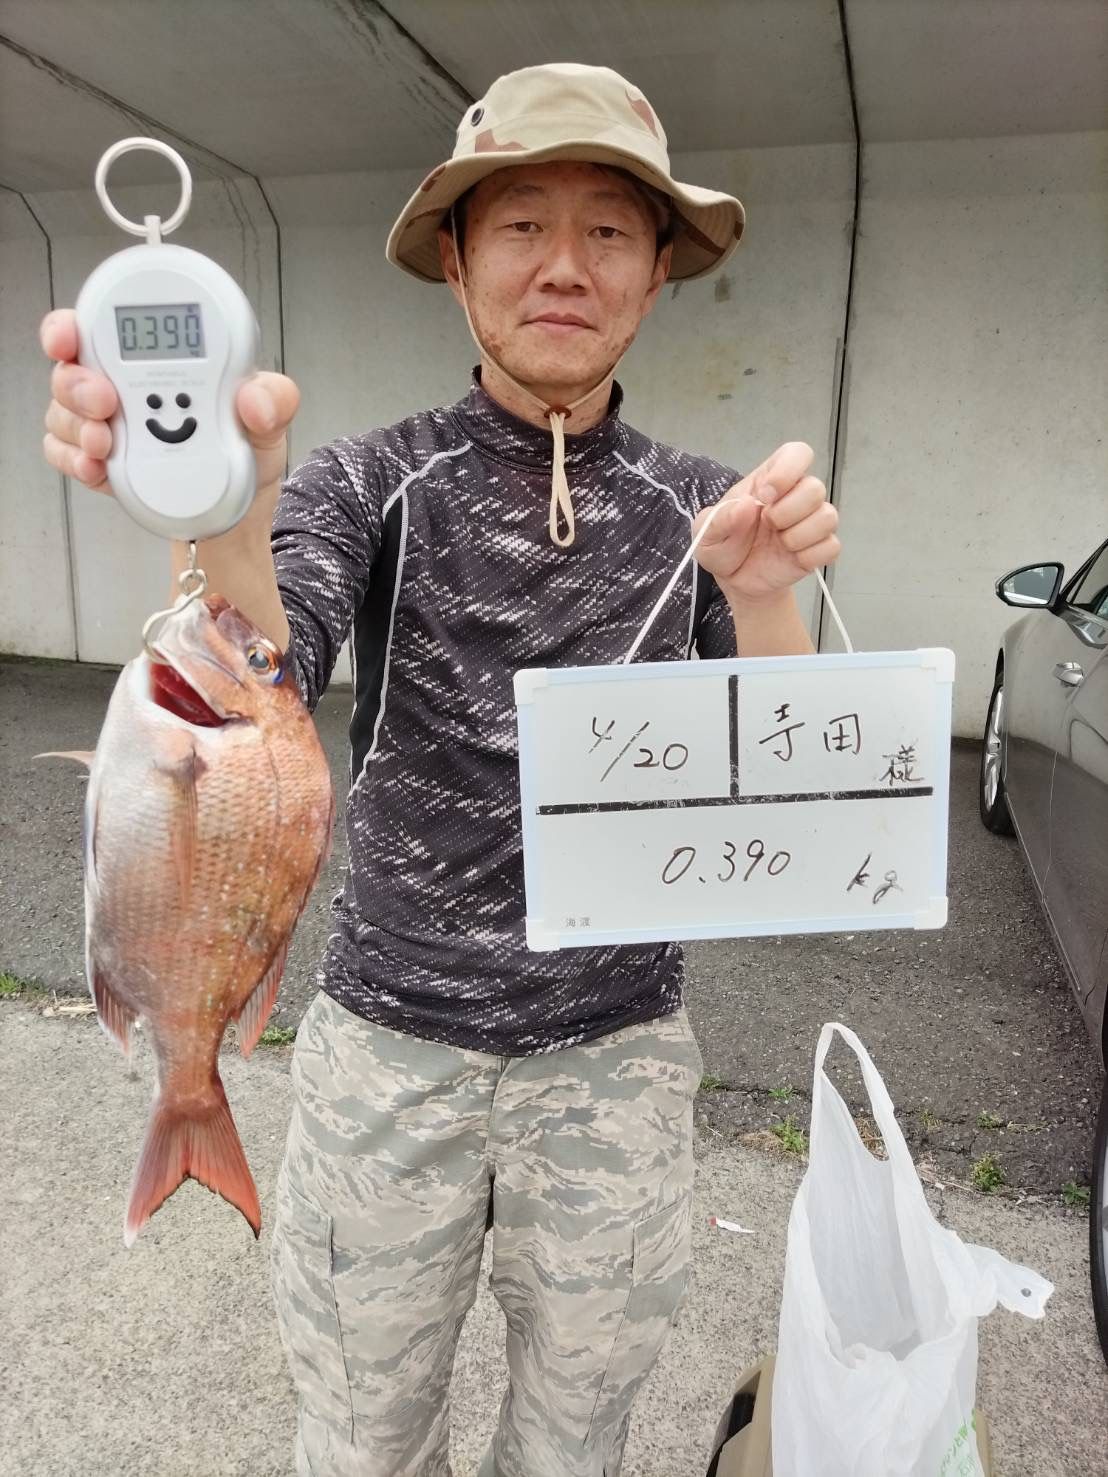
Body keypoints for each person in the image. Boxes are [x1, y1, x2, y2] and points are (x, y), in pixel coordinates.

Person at [40, 62, 840, 1477]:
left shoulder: (709, 510)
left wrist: (766, 597)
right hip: (386, 1052)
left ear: (658, 269)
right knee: (364, 1436)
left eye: (610, 230)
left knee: (577, 1436)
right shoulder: (371, 479)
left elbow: (779, 796)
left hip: (617, 1056)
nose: (564, 265)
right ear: (457, 260)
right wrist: (223, 500)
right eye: (520, 223)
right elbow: (264, 667)